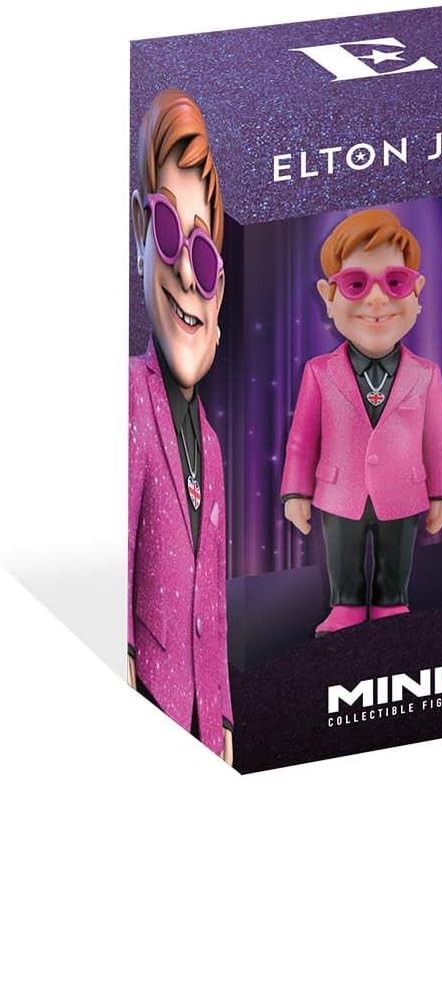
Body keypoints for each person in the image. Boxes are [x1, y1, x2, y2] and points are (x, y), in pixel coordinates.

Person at [281, 208, 442, 636]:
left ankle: (391, 603)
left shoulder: (426, 375)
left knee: (397, 557)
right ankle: (345, 604)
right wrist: (295, 492)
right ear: (328, 296)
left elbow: (438, 443)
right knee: (343, 555)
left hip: (404, 491)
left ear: (417, 291)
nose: (377, 300)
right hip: (340, 491)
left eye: (394, 282)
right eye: (356, 285)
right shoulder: (318, 373)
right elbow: (302, 441)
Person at [128, 89, 233, 764]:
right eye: (169, 230)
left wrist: (224, 720)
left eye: (207, 254)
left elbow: (215, 597)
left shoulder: (214, 448)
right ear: (140, 230)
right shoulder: (127, 399)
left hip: (201, 716)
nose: (190, 272)